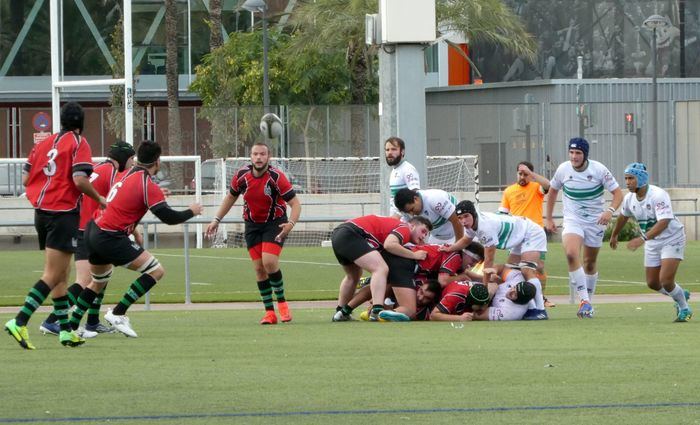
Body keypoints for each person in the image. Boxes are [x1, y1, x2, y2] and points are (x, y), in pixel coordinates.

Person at [69, 140, 202, 337]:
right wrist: (192, 211)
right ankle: (118, 312)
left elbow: (127, 202)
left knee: (97, 282)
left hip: (93, 230)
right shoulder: (147, 184)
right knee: (156, 271)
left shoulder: (126, 174)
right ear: (157, 161)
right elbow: (168, 217)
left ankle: (70, 327)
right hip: (110, 236)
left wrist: (135, 228)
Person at [4, 102, 105, 349]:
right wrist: (100, 199)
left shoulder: (43, 144)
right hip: (63, 213)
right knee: (53, 274)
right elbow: (80, 180)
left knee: (61, 273)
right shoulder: (79, 143)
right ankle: (20, 320)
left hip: (42, 213)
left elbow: (27, 177)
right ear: (81, 123)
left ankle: (65, 330)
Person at [39, 141, 136, 338]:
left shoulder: (99, 168)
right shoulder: (113, 174)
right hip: (87, 230)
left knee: (103, 275)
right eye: (132, 158)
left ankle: (92, 322)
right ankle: (52, 321)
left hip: (88, 228)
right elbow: (115, 205)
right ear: (124, 158)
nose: (133, 163)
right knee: (84, 280)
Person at [206, 142, 301, 325]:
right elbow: (231, 197)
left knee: (269, 262)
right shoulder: (241, 176)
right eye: (255, 154)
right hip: (252, 226)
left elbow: (295, 204)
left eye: (262, 154)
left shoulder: (276, 177)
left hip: (276, 223)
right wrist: (216, 219)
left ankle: (282, 303)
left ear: (269, 157)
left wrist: (290, 223)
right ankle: (269, 313)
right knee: (259, 268)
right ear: (250, 156)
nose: (258, 157)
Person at [545, 137, 622, 318]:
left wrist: (610, 211)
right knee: (571, 253)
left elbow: (618, 193)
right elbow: (553, 190)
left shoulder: (599, 170)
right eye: (571, 152)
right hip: (573, 220)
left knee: (589, 262)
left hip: (595, 222)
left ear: (585, 154)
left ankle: (588, 302)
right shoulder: (563, 169)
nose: (574, 156)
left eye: (578, 153)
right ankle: (584, 301)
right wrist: (548, 218)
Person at [610, 163, 692, 322]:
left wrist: (642, 239)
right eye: (626, 178)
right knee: (653, 283)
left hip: (672, 238)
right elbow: (623, 216)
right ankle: (680, 294)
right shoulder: (629, 198)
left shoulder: (658, 195)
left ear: (640, 178)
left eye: (631, 178)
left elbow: (665, 222)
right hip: (652, 242)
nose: (627, 182)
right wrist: (614, 235)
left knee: (666, 280)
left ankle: (684, 308)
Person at [446, 200, 549, 320]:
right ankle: (530, 308)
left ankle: (540, 310)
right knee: (515, 273)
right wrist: (449, 248)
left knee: (526, 271)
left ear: (473, 214)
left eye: (466, 216)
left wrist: (484, 287)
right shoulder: (472, 223)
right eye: (460, 218)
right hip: (519, 236)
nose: (463, 221)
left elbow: (489, 259)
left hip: (530, 232)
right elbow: (466, 240)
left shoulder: (485, 227)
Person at [330, 215, 431, 321]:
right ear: (412, 226)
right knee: (380, 268)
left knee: (353, 276)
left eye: (426, 234)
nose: (424, 236)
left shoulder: (396, 228)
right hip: (351, 233)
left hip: (340, 234)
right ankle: (377, 310)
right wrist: (414, 255)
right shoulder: (404, 228)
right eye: (423, 231)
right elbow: (389, 245)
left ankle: (341, 312)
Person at [499, 161, 554, 307]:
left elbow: (548, 185)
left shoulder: (536, 188)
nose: (522, 177)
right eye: (520, 174)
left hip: (535, 234)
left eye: (525, 174)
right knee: (514, 267)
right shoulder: (509, 191)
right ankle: (522, 296)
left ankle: (541, 297)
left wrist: (532, 174)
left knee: (538, 267)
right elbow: (502, 214)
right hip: (516, 235)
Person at [394, 188, 464, 244]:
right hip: (437, 237)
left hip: (460, 233)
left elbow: (457, 220)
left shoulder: (434, 199)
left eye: (412, 209)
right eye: (408, 212)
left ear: (415, 199)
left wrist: (458, 244)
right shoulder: (408, 209)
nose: (411, 214)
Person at [472, 266, 537, 321]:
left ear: (521, 301)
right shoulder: (518, 278)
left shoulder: (510, 313)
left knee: (491, 289)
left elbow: (478, 315)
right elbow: (503, 269)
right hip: (476, 286)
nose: (510, 291)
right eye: (514, 287)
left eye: (515, 294)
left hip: (477, 302)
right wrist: (495, 270)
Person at [385, 137, 420, 217]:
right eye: (387, 150)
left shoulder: (408, 169)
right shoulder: (394, 170)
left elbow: (415, 195)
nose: (390, 153)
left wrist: (398, 216)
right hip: (397, 220)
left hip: (406, 222)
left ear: (402, 151)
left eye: (394, 149)